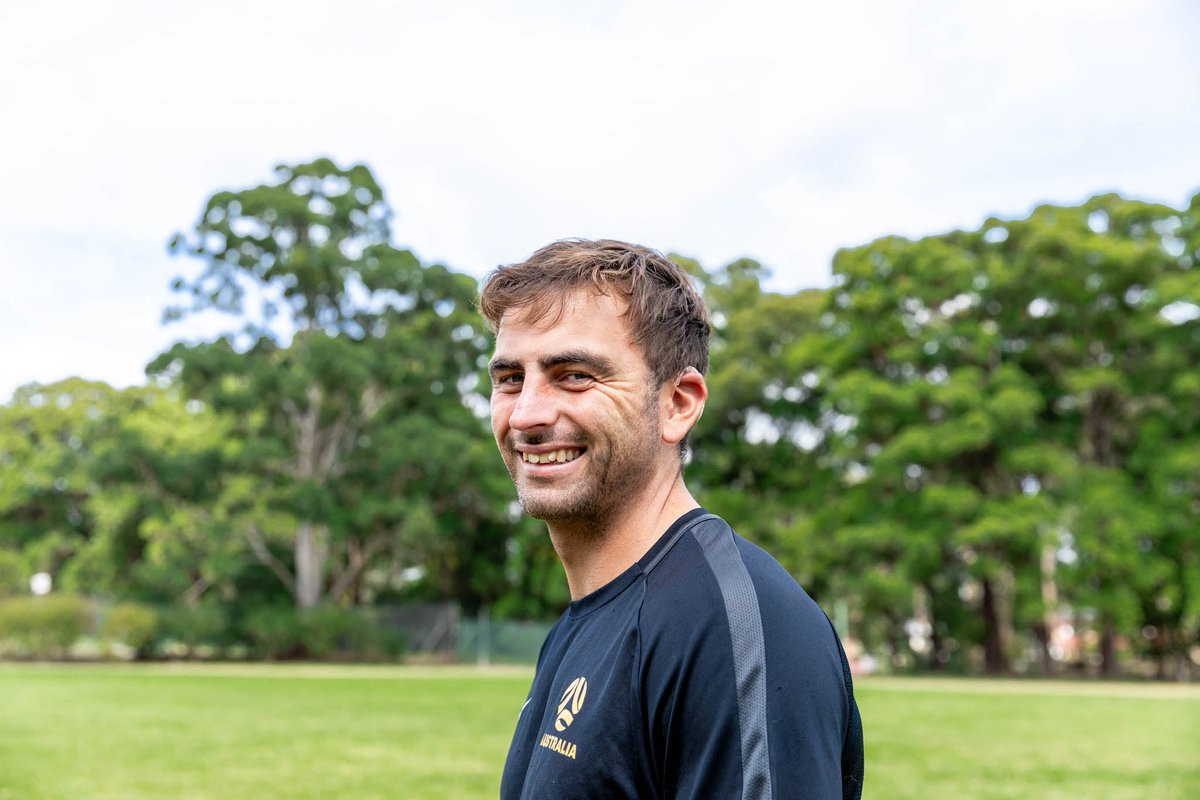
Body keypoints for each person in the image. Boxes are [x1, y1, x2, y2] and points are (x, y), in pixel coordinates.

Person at [480, 239, 864, 800]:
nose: (528, 413)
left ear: (678, 403)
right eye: (511, 378)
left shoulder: (732, 629)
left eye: (575, 375)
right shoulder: (586, 620)